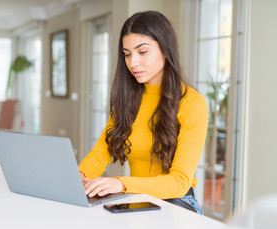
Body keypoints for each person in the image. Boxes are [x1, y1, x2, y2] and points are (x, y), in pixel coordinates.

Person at [78, 11, 208, 214]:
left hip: (175, 206)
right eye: (127, 54)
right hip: (136, 204)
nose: (133, 63)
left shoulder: (191, 102)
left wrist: (120, 183)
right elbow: (100, 153)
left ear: (165, 49)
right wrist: (79, 175)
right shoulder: (127, 100)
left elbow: (179, 182)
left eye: (142, 52)